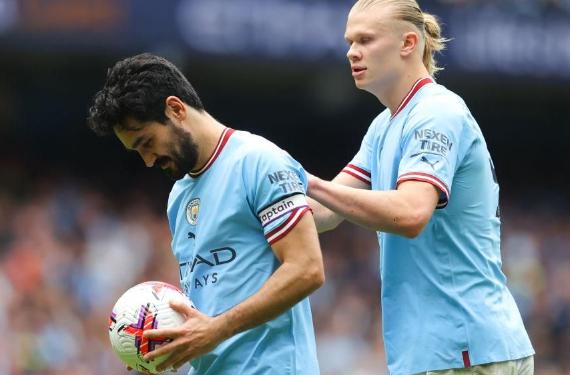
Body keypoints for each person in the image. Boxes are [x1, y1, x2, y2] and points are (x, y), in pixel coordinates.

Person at [306, 0, 535, 374]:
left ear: (408, 43)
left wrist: (308, 181)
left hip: (465, 348)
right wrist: (255, 201)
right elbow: (325, 212)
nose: (351, 51)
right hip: (436, 352)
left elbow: (411, 213)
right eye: (350, 41)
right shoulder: (383, 126)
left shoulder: (436, 112)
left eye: (365, 39)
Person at [87, 53, 324, 374]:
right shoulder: (178, 196)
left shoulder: (258, 161)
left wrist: (216, 330)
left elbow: (307, 268)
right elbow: (208, 299)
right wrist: (162, 346)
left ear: (176, 109)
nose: (147, 161)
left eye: (147, 142)